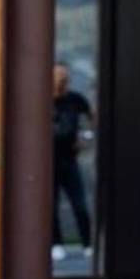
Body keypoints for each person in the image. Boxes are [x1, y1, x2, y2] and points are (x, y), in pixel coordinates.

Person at [52, 62, 95, 262]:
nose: (62, 79)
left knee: (79, 203)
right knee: (50, 205)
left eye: (64, 75)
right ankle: (56, 244)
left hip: (69, 159)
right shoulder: (42, 99)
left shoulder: (74, 99)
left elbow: (92, 117)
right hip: (49, 160)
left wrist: (86, 137)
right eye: (58, 75)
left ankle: (87, 244)